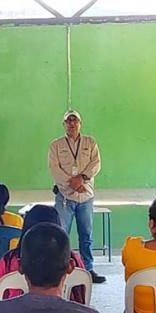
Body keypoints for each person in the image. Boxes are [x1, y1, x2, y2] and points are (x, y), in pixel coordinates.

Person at [48, 110, 106, 284]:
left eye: (75, 121)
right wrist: (72, 183)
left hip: (85, 196)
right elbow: (54, 169)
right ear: (63, 124)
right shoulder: (56, 145)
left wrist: (81, 178)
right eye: (68, 121)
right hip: (65, 196)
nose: (72, 124)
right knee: (61, 234)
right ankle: (60, 270)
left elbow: (96, 164)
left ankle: (88, 269)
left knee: (86, 235)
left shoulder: (90, 142)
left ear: (80, 124)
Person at [0, 204, 86, 303]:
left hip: (14, 312)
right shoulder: (74, 260)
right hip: (68, 312)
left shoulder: (8, 261)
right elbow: (82, 295)